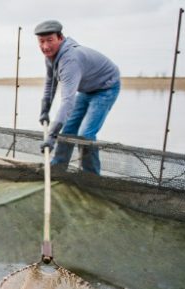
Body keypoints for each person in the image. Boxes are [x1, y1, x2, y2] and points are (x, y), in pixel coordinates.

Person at [36, 20, 120, 175]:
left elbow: (67, 102)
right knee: (68, 129)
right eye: (41, 41)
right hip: (87, 89)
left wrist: (52, 136)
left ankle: (91, 176)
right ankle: (58, 168)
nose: (45, 46)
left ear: (60, 38)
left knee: (85, 135)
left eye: (50, 40)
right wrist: (45, 109)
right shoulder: (50, 56)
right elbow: (50, 84)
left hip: (106, 88)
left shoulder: (70, 60)